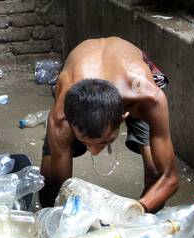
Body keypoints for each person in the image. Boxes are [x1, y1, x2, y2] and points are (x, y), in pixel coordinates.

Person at [40, 37, 179, 212]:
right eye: (84, 142)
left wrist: (135, 211)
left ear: (123, 117)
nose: (94, 151)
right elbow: (61, 189)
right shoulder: (61, 116)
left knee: (155, 174)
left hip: (133, 86)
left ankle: (141, 224)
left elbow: (170, 178)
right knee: (48, 184)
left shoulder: (149, 98)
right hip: (79, 80)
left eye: (103, 142)